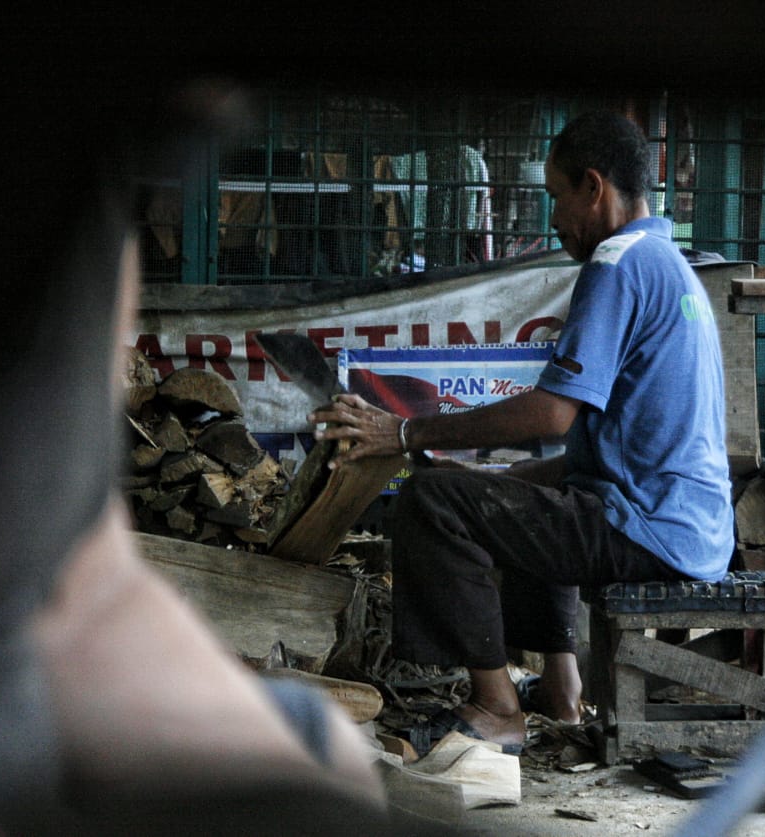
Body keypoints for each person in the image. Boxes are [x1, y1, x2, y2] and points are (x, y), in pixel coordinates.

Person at [0, 70, 393, 835]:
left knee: (314, 738)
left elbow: (89, 581)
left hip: (17, 700)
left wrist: (298, 780)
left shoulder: (77, 204)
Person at [308, 111, 735, 755]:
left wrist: (404, 431)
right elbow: (594, 450)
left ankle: (496, 707)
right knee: (515, 501)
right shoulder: (668, 265)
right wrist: (494, 482)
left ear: (593, 187)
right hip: (688, 524)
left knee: (431, 499)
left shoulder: (616, 264)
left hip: (649, 526)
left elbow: (550, 415)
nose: (555, 220)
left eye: (557, 199)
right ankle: (561, 696)